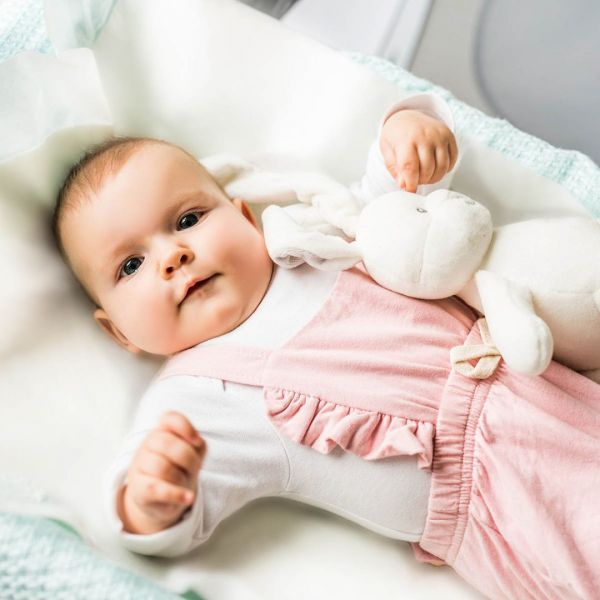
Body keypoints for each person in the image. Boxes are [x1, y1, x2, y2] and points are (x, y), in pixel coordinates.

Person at [52, 93, 599, 600]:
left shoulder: (311, 239)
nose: (172, 256)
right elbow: (154, 504)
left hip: (542, 376)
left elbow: (394, 208)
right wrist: (148, 498)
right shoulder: (197, 394)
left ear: (244, 218)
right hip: (504, 500)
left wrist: (406, 135)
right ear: (119, 332)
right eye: (131, 265)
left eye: (187, 220)